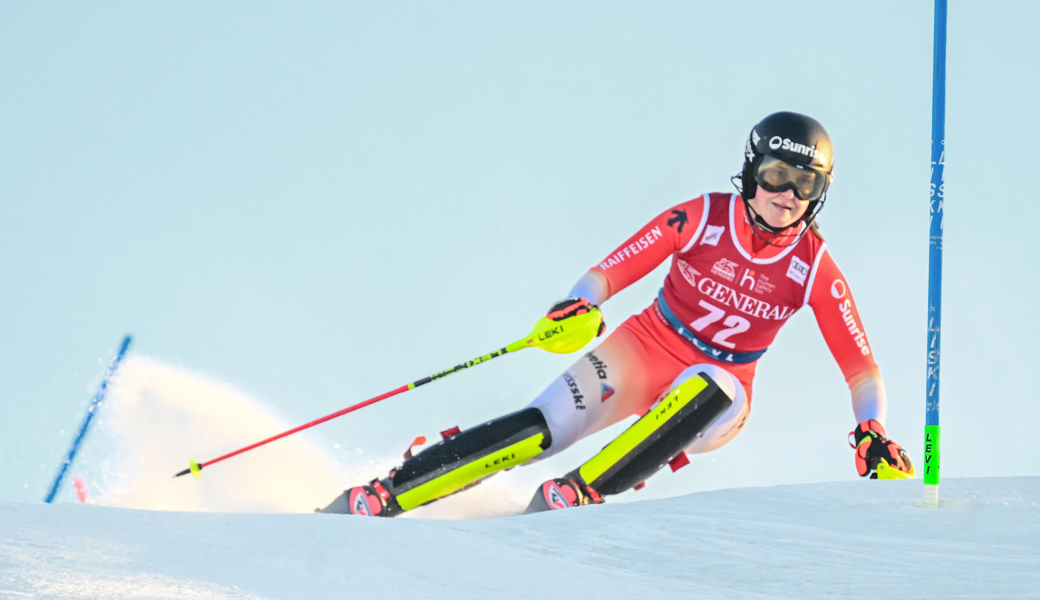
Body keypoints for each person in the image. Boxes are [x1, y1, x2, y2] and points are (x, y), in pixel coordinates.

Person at [319, 111, 914, 517]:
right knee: (540, 429)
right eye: (776, 175)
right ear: (752, 172)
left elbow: (861, 367)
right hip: (644, 347)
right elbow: (616, 267)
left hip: (720, 393)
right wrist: (580, 302)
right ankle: (386, 494)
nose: (787, 194)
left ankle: (581, 492)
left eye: (804, 183)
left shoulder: (814, 265)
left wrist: (872, 429)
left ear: (819, 192)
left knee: (716, 385)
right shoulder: (703, 217)